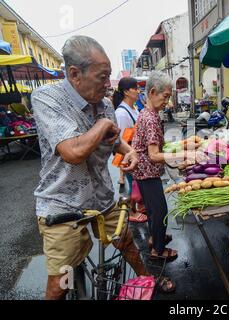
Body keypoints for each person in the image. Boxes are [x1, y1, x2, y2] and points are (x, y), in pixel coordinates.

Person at [31, 36, 172, 299]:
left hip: (101, 197)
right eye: (102, 77)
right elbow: (72, 152)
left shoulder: (105, 104)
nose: (108, 84)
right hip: (62, 204)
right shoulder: (47, 98)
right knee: (60, 279)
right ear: (74, 74)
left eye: (109, 76)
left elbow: (114, 141)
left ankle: (146, 280)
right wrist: (102, 126)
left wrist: (128, 151)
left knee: (127, 242)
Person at [132, 71, 203, 261]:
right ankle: (158, 250)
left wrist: (183, 146)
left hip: (142, 171)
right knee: (159, 210)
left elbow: (156, 147)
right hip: (147, 172)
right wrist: (186, 154)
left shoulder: (146, 113)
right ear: (153, 92)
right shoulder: (151, 118)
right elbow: (154, 155)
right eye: (165, 97)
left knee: (153, 209)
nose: (167, 102)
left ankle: (156, 238)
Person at [113, 77, 147, 223]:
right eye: (135, 88)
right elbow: (120, 140)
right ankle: (130, 212)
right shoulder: (121, 113)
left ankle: (136, 207)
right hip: (129, 156)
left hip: (138, 154)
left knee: (137, 185)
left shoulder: (135, 108)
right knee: (133, 185)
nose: (138, 91)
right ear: (126, 92)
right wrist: (128, 158)